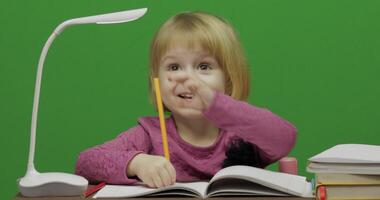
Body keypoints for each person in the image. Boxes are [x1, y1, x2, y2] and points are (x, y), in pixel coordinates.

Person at [75, 11, 297, 188]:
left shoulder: (243, 135)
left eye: (204, 67)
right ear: (157, 82)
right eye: (174, 67)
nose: (187, 78)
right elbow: (85, 163)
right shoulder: (148, 134)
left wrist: (216, 104)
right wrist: (138, 163)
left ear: (228, 81)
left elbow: (284, 138)